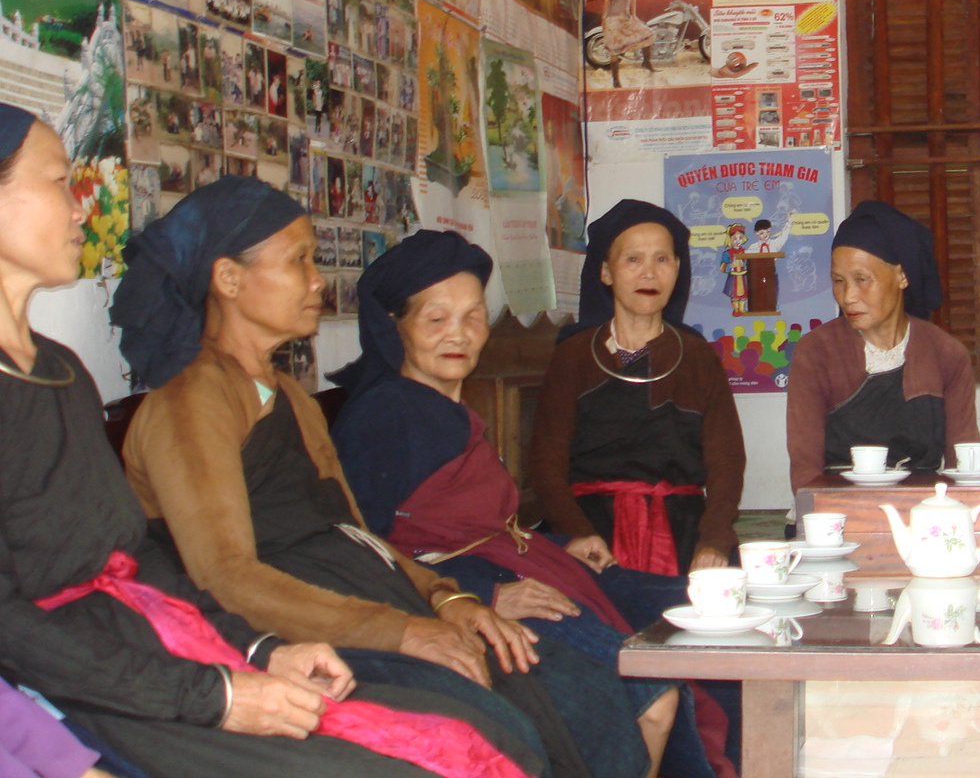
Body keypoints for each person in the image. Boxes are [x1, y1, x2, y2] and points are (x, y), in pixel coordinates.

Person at [0, 107, 535, 778]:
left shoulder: (61, 371)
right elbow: (24, 623)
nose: (82, 206)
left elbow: (135, 557)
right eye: (59, 182)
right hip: (93, 681)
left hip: (161, 639)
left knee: (490, 730)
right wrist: (216, 693)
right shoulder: (192, 399)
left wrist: (260, 653)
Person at [111, 176, 638, 778]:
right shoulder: (192, 399)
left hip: (377, 598)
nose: (318, 281)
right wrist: (403, 632)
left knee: (579, 689)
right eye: (298, 261)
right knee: (496, 724)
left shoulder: (290, 396)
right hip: (306, 631)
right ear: (229, 279)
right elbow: (225, 577)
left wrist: (448, 597)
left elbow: (357, 535)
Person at [330, 231, 734, 778]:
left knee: (709, 619)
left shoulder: (443, 407)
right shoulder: (383, 417)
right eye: (436, 319)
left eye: (473, 317)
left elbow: (472, 524)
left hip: (537, 561)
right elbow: (364, 548)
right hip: (475, 591)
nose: (458, 334)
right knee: (653, 692)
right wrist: (480, 595)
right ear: (394, 325)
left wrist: (560, 546)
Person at [531, 201, 745, 576]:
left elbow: (727, 463)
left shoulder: (697, 357)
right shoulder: (573, 356)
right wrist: (577, 533)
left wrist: (713, 540)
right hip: (589, 536)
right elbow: (546, 465)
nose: (649, 273)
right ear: (606, 272)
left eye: (662, 259)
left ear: (677, 269)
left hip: (685, 537)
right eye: (633, 260)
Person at [783, 200, 980, 495]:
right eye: (838, 281)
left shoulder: (946, 354)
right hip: (836, 506)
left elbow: (964, 464)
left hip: (924, 506)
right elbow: (805, 468)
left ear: (902, 276)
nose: (848, 296)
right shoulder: (817, 351)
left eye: (862, 279)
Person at [597, 0, 657, 89]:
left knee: (649, 34)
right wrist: (603, 18)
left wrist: (634, 15)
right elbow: (607, 1)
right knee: (615, 49)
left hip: (626, 17)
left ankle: (646, 62)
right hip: (613, 19)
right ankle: (615, 80)